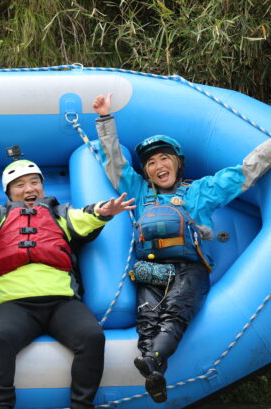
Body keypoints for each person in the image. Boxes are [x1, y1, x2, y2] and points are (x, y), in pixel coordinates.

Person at [92, 93, 271, 403]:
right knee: (147, 318)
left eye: (164, 158)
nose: (158, 165)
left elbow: (242, 173)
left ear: (177, 163)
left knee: (176, 309)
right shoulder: (138, 191)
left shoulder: (199, 191)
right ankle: (154, 366)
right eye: (151, 162)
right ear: (146, 171)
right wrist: (105, 120)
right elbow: (115, 164)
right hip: (150, 268)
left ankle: (153, 362)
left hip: (189, 267)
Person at [0, 154, 135, 409]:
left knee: (92, 337)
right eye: (20, 185)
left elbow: (89, 216)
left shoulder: (61, 214)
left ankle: (81, 405)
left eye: (35, 182)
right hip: (16, 305)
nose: (29, 189)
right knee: (0, 338)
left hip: (62, 303)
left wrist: (105, 211)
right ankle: (1, 405)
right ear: (9, 193)